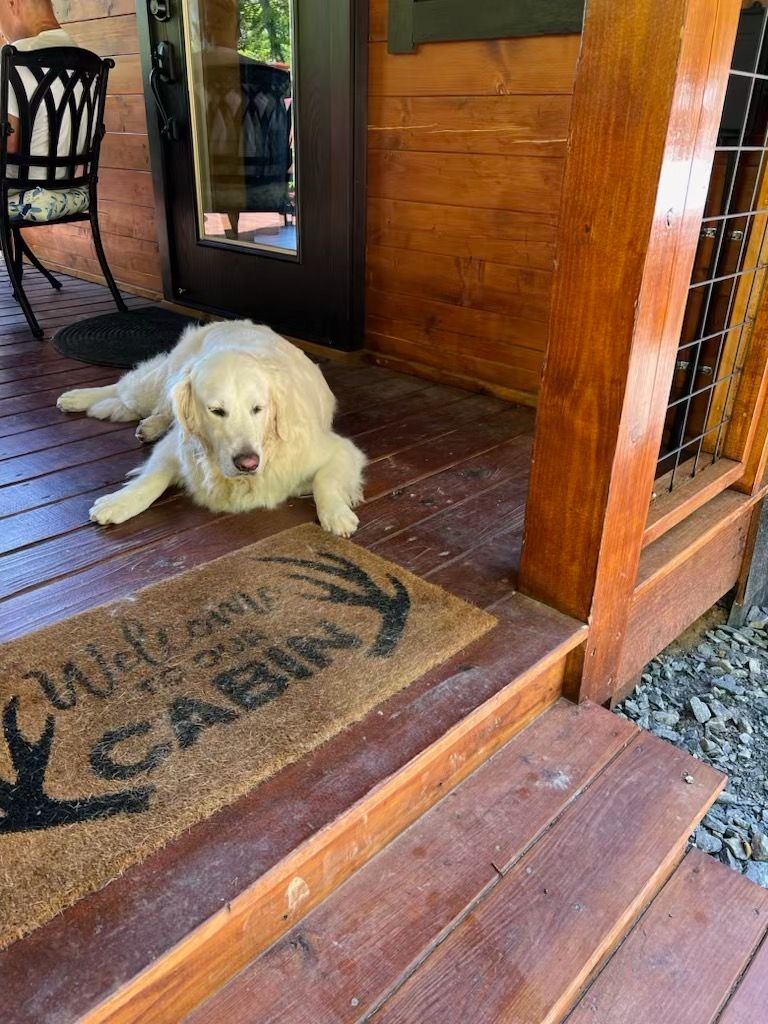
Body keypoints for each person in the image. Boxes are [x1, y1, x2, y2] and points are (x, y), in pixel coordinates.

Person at [0, 0, 78, 169]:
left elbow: (8, 143)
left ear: (13, 3)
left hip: (17, 187)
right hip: (69, 184)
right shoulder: (86, 59)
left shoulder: (13, 58)